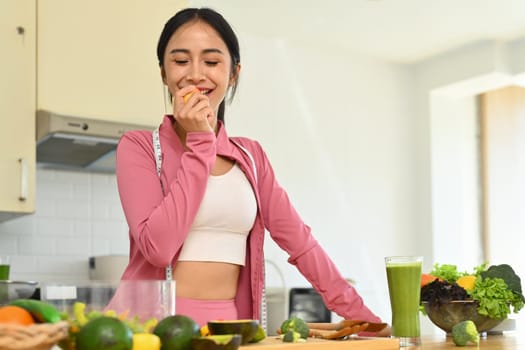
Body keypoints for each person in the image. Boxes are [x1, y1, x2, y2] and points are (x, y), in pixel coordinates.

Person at [107, 7, 390, 335]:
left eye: (211, 62)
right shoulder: (139, 147)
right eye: (181, 61)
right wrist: (201, 141)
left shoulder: (251, 157)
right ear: (163, 73)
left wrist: (367, 321)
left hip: (229, 331)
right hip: (151, 331)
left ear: (233, 73)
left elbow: (301, 244)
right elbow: (158, 249)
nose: (196, 74)